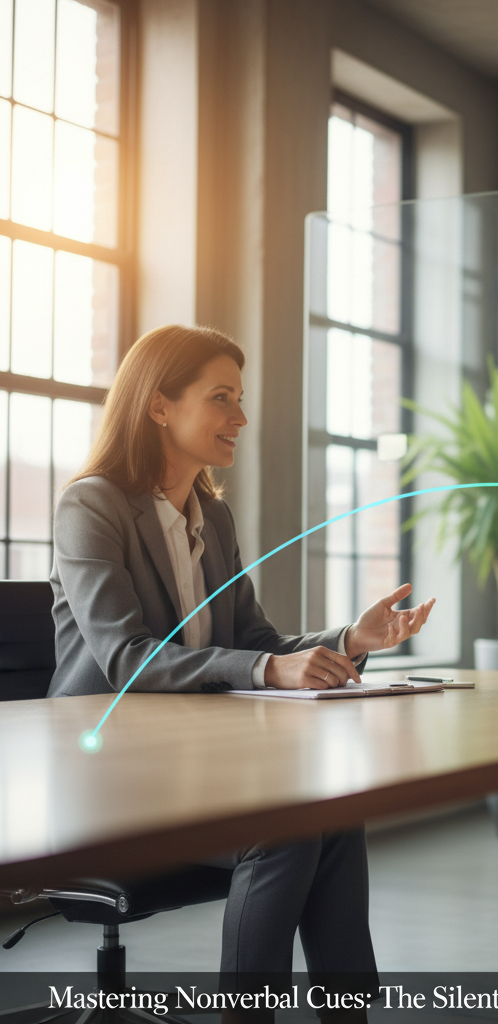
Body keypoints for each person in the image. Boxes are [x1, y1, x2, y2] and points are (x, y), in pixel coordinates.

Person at [49, 324, 435, 1015]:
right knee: (283, 830)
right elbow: (127, 658)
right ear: (159, 405)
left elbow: (256, 641)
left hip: (190, 766)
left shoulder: (213, 517)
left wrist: (351, 639)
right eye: (221, 398)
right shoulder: (92, 505)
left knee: (334, 814)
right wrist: (267, 668)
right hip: (107, 777)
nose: (241, 417)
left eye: (240, 398)